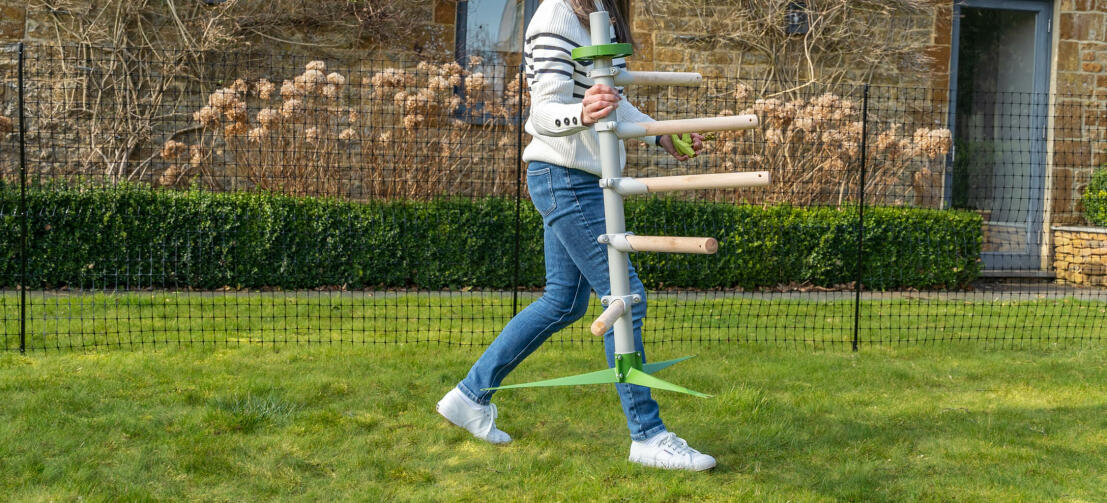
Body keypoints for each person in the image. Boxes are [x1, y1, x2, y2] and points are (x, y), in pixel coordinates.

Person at [436, 0, 713, 471]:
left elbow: (611, 97)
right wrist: (581, 115)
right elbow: (544, 113)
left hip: (586, 177)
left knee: (563, 302)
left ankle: (468, 397)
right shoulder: (554, 19)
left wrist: (658, 135)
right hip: (564, 175)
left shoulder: (600, 12)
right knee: (624, 296)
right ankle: (647, 435)